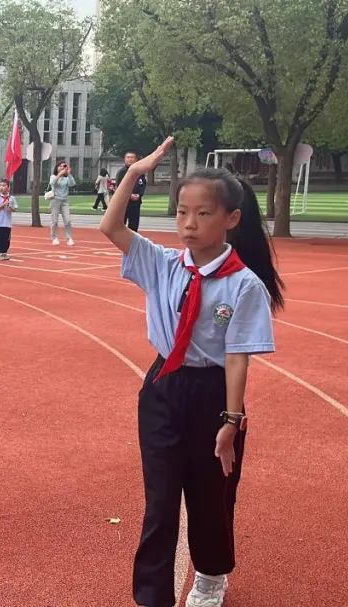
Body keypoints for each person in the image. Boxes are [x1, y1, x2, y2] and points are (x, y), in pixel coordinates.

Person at [98, 137, 284, 607]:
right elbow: (109, 225)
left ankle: (211, 575)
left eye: (202, 214)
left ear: (231, 219)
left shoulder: (243, 285)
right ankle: (152, 596)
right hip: (162, 387)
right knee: (160, 501)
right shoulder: (161, 263)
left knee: (211, 495)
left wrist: (230, 420)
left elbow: (238, 356)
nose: (189, 223)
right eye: (182, 212)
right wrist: (134, 173)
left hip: (211, 392)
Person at [116, 151, 147, 232]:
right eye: (128, 157)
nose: (130, 159)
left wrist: (139, 195)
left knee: (134, 224)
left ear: (136, 159)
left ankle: (132, 242)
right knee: (121, 223)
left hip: (136, 203)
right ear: (124, 159)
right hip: (124, 202)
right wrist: (129, 195)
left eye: (132, 157)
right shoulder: (121, 172)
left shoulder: (140, 172)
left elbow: (142, 185)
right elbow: (119, 187)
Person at [48, 161, 76, 246]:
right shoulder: (53, 176)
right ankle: (54, 237)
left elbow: (72, 184)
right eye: (60, 166)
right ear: (57, 168)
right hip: (55, 200)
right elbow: (52, 183)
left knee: (67, 220)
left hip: (65, 201)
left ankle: (69, 238)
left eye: (63, 166)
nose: (61, 168)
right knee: (55, 221)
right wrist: (60, 174)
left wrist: (69, 174)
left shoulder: (66, 178)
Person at [0, 179, 17, 261]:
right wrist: (3, 204)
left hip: (7, 223)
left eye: (4, 185)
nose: (2, 187)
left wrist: (9, 206)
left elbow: (14, 209)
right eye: (0, 185)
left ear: (8, 187)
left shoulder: (12, 198)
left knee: (6, 239)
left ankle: (4, 252)